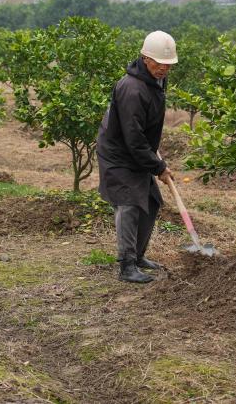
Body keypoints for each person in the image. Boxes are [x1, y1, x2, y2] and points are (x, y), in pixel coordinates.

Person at [96, 31, 178, 284]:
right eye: (158, 62)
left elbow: (142, 130)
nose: (163, 68)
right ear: (144, 58)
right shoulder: (132, 89)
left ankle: (139, 255)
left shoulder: (155, 81)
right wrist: (159, 167)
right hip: (119, 155)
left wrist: (152, 155)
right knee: (129, 203)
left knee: (151, 202)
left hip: (138, 151)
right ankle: (126, 265)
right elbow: (133, 137)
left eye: (168, 64)